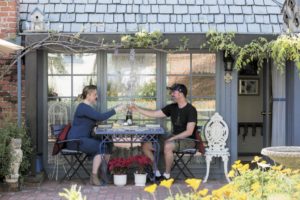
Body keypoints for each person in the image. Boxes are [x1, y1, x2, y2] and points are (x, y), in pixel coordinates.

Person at [130, 83, 198, 180]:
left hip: (188, 140)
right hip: (173, 138)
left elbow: (189, 132)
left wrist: (172, 138)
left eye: (174, 92)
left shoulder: (191, 110)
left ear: (181, 94)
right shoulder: (172, 107)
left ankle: (166, 175)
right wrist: (137, 109)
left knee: (168, 145)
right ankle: (156, 172)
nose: (171, 94)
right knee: (145, 145)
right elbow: (154, 114)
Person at [67, 85, 126, 186]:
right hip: (76, 141)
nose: (96, 96)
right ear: (88, 95)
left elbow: (94, 120)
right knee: (101, 146)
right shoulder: (83, 107)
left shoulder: (87, 107)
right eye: (95, 94)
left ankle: (103, 174)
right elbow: (100, 117)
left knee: (107, 145)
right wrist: (116, 110)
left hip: (82, 139)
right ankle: (94, 177)